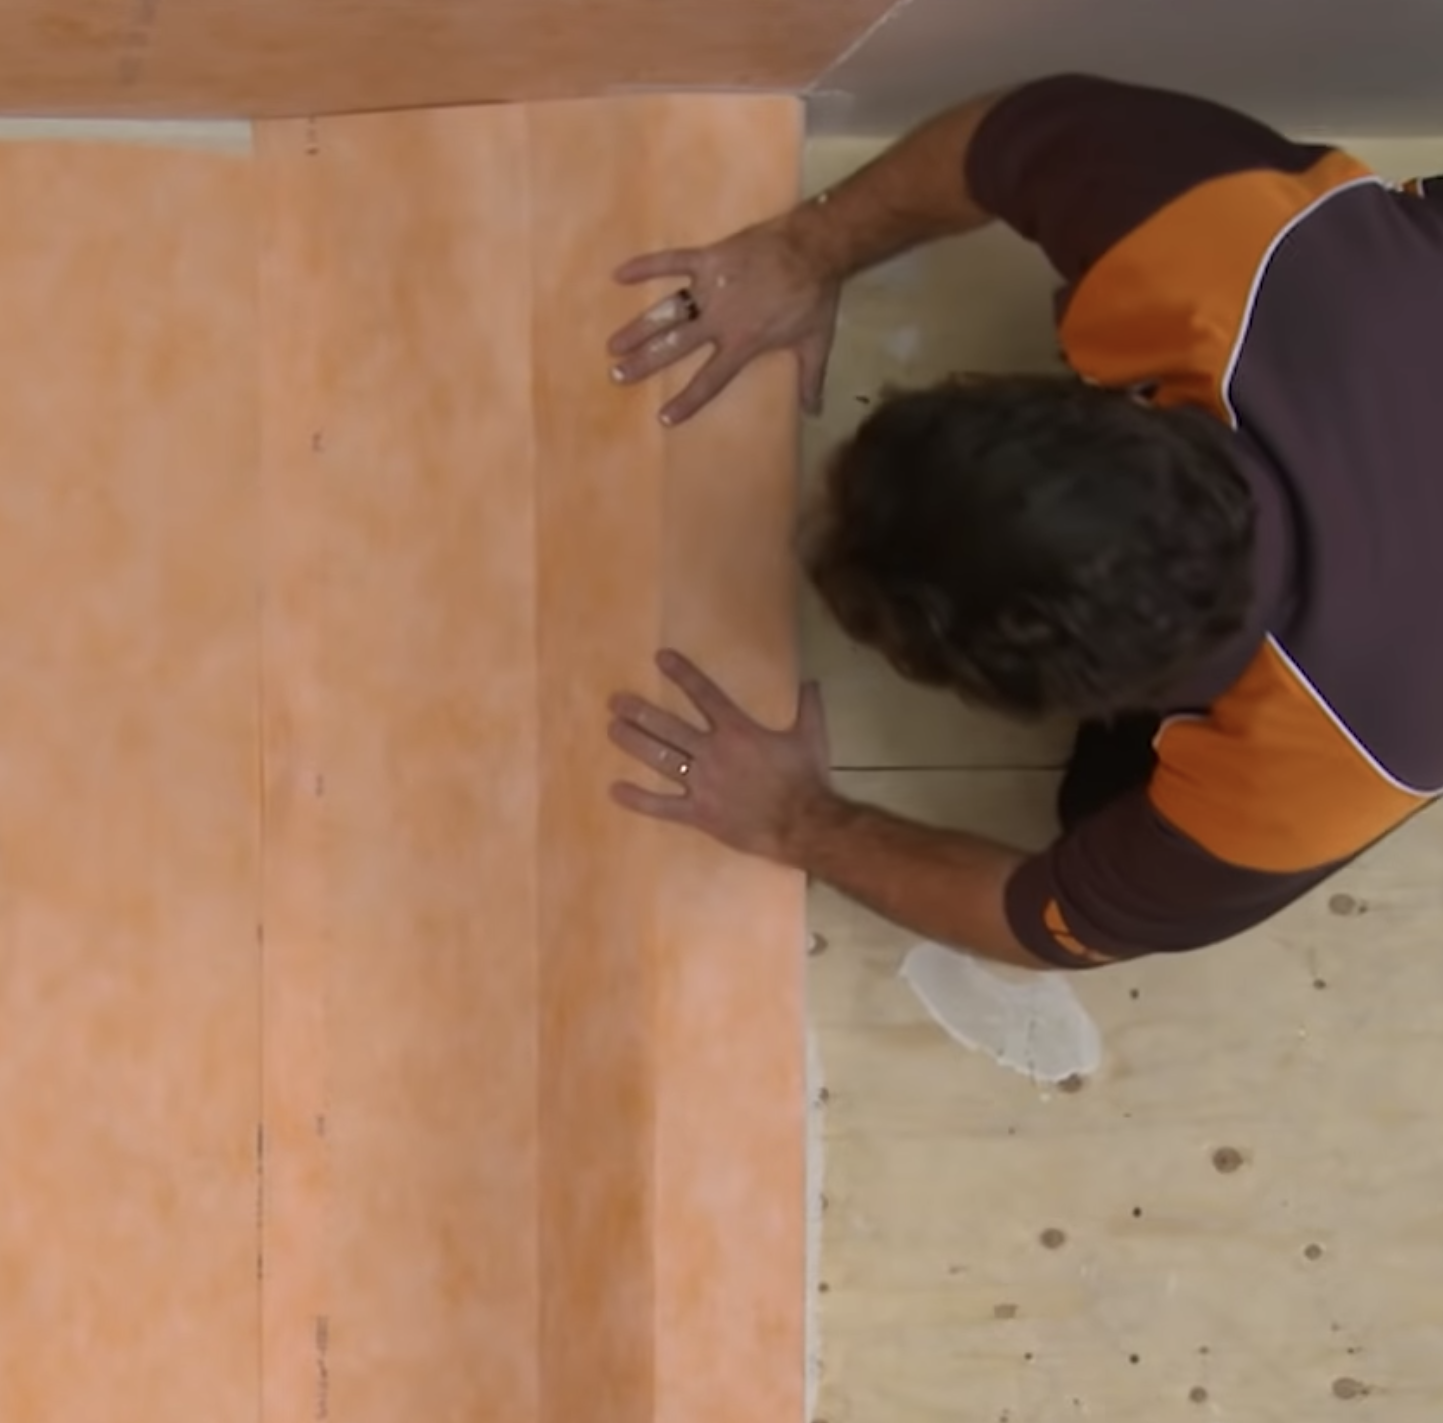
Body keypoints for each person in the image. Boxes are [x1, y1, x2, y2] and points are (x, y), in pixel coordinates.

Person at [600, 73, 1443, 969]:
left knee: (1095, 815)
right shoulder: (1226, 254)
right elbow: (1007, 139)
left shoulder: (1307, 774)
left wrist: (798, 820)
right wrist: (805, 249)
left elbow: (1040, 920)